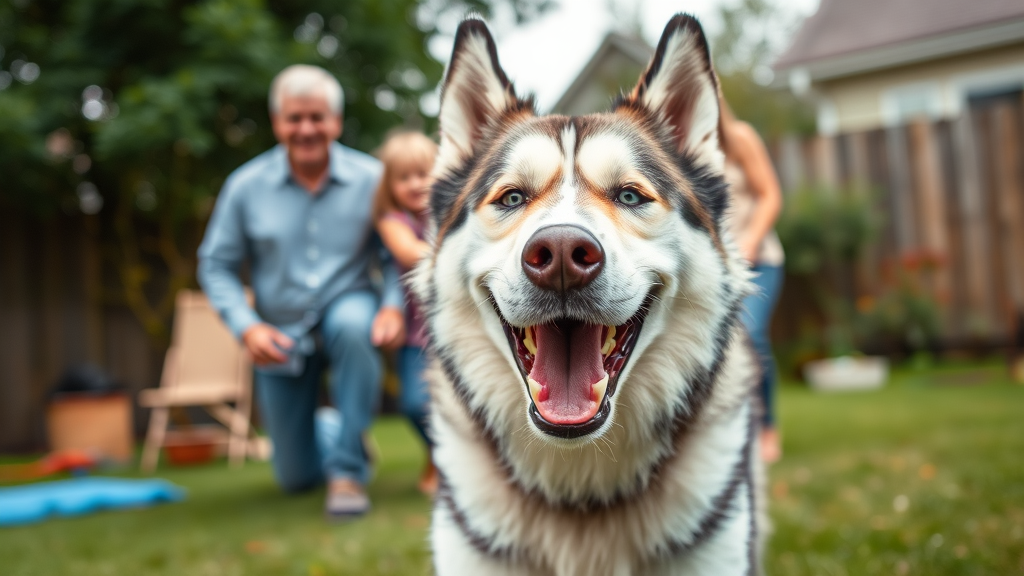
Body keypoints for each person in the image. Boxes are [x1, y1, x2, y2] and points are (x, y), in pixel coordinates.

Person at [197, 65, 406, 518]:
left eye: (317, 117)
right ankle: (336, 431)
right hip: (278, 329)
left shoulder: (372, 179)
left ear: (336, 120)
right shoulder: (245, 187)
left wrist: (392, 306)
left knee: (353, 325)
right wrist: (246, 328)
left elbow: (396, 256)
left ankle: (349, 471)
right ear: (277, 123)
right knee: (295, 479)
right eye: (295, 118)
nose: (306, 129)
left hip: (348, 306)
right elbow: (216, 265)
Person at [719, 99, 786, 463]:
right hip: (718, 270)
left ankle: (767, 429)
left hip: (760, 262)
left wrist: (750, 241)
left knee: (751, 335)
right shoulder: (674, 147)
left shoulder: (739, 137)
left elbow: (770, 195)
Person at [373, 131, 438, 495]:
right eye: (404, 177)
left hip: (457, 331)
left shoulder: (453, 209)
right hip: (415, 334)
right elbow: (409, 253)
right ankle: (436, 453)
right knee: (415, 404)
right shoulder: (394, 220)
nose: (415, 184)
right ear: (390, 185)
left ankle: (454, 462)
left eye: (423, 174)